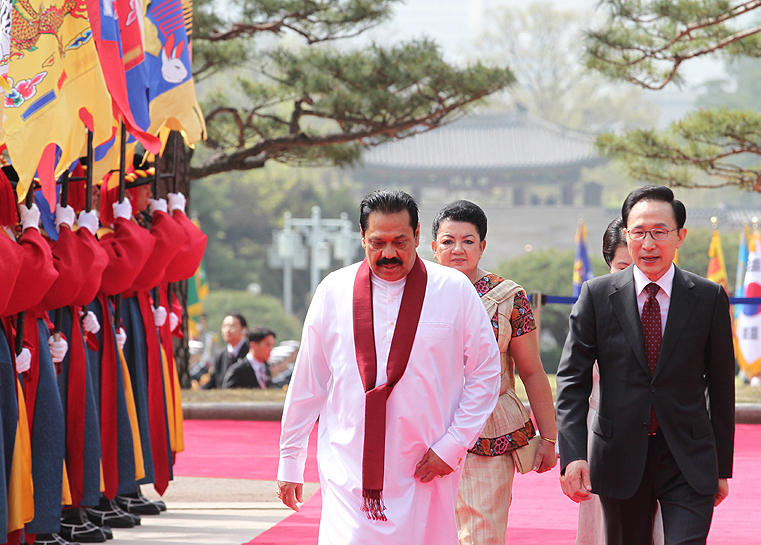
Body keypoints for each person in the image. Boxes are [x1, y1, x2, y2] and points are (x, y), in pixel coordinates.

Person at [277, 189, 501, 544]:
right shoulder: (333, 290)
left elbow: (485, 374)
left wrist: (453, 445)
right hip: (346, 465)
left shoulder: (453, 289)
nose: (389, 253)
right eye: (377, 242)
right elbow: (309, 382)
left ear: (416, 238)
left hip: (425, 466)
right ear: (362, 238)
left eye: (400, 241)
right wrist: (290, 460)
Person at [556, 186, 735, 545]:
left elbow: (720, 386)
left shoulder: (708, 298)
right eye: (638, 232)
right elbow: (572, 382)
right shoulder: (596, 296)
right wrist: (573, 455)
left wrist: (721, 466)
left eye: (659, 232)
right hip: (619, 456)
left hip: (688, 456)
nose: (648, 243)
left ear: (679, 236)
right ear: (626, 234)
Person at [430, 200, 557, 545]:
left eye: (468, 241)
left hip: (489, 427)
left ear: (482, 246)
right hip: (426, 426)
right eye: (448, 241)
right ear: (433, 246)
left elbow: (531, 372)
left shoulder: (508, 298)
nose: (457, 249)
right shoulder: (414, 293)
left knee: (481, 532)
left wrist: (548, 437)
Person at [571, 217, 664, 545]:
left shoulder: (671, 303)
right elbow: (572, 381)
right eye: (623, 266)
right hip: (607, 437)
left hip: (664, 438)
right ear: (609, 263)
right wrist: (572, 453)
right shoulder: (597, 303)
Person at [201, 313, 248, 389]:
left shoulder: (250, 353)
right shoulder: (220, 355)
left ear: (244, 330)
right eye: (224, 326)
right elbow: (213, 382)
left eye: (232, 326)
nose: (227, 330)